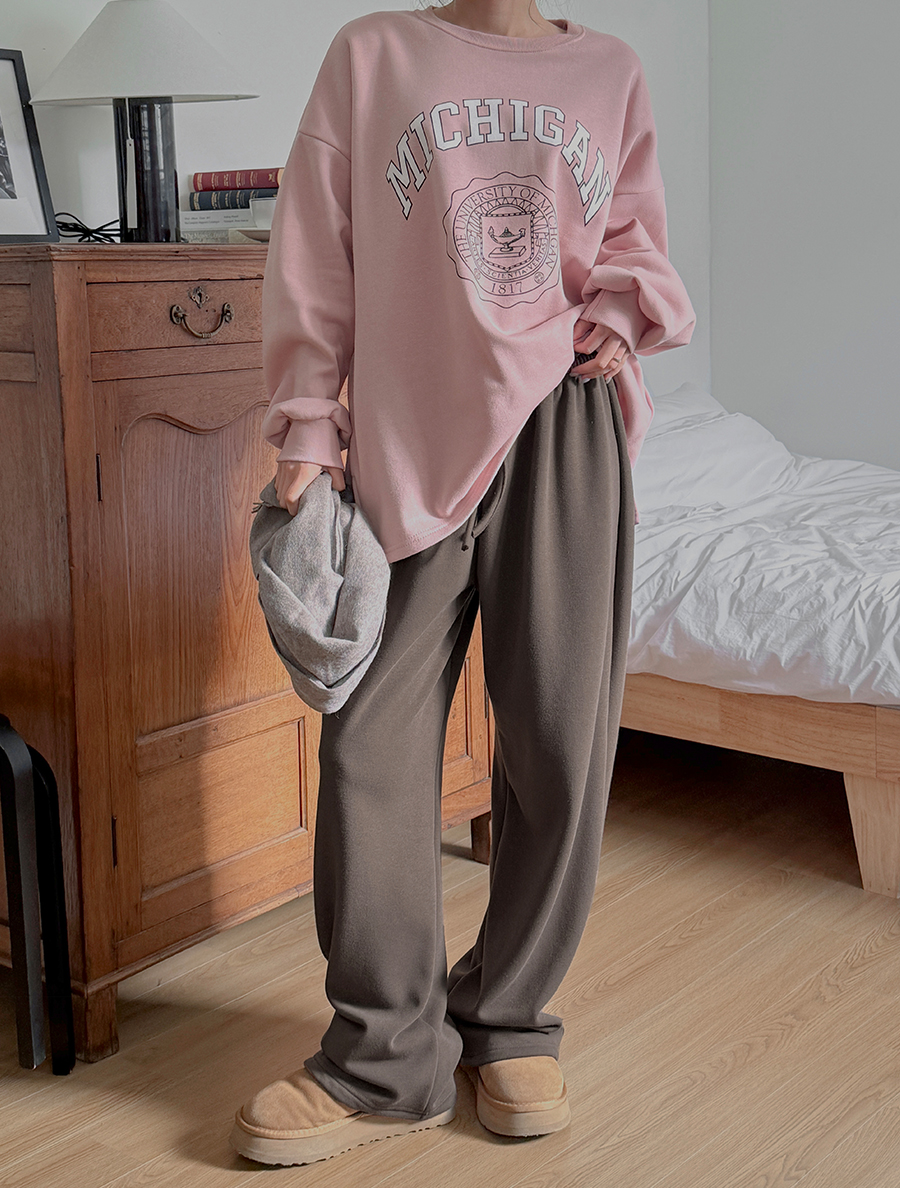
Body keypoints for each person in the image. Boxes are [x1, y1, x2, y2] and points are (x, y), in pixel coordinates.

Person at [230, 0, 695, 1168]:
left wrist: (621, 312)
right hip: (410, 434)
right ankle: (384, 1055)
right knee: (369, 747)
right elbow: (315, 247)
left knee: (560, 742)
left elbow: (634, 233)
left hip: (566, 424)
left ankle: (508, 1018)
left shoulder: (611, 71)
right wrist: (308, 424)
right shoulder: (373, 55)